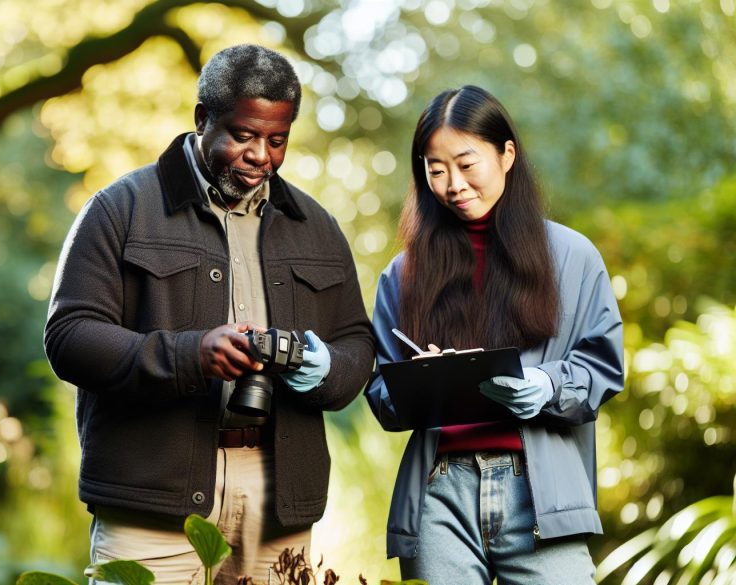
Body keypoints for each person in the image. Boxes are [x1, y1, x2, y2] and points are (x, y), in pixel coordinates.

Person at [44, 44, 374, 584]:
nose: (260, 156)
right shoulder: (120, 209)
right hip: (152, 499)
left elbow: (357, 343)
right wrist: (190, 355)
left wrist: (324, 369)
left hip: (277, 502)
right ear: (202, 119)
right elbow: (70, 337)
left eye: (277, 140)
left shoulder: (318, 227)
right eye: (243, 136)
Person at [365, 85, 624, 584]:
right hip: (439, 496)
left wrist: (548, 384)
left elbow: (604, 368)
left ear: (507, 154)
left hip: (541, 492)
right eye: (435, 170)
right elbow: (380, 393)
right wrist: (417, 384)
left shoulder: (572, 257)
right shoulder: (403, 275)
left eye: (467, 164)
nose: (453, 184)